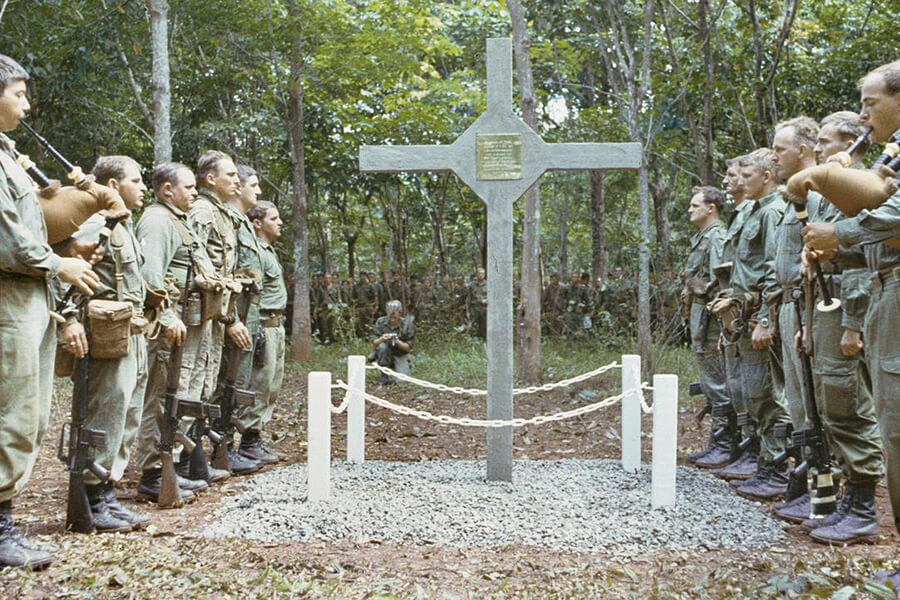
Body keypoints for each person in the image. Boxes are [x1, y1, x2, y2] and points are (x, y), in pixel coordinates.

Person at [0, 54, 101, 569]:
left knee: (31, 414)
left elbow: (28, 227)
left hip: (30, 296)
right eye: (18, 93)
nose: (27, 103)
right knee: (12, 414)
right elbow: (6, 240)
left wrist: (66, 252)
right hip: (9, 298)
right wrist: (57, 263)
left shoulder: (8, 156)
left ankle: (5, 520)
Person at [803, 61, 900, 580]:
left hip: (886, 291)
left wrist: (840, 236)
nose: (864, 114)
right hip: (884, 286)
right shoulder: (890, 154)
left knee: (888, 420)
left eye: (870, 102)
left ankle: (861, 507)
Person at [788, 111, 884, 542]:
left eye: (826, 142)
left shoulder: (863, 188)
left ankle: (863, 504)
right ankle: (849, 495)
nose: (820, 149)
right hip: (823, 312)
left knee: (847, 404)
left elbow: (867, 260)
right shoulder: (832, 191)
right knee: (831, 404)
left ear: (851, 142)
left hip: (850, 311)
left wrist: (851, 324)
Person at [57, 156, 152, 532]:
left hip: (129, 333)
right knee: (104, 412)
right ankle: (91, 495)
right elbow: (62, 274)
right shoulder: (99, 222)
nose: (142, 186)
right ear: (112, 186)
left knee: (125, 414)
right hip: (102, 336)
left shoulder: (125, 226)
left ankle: (106, 491)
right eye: (136, 180)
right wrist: (66, 321)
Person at [133, 162, 224, 503]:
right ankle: (153, 473)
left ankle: (168, 464)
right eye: (188, 187)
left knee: (178, 395)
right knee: (160, 400)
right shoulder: (157, 221)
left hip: (186, 325)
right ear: (167, 189)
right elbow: (150, 275)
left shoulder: (178, 220)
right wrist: (168, 315)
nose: (194, 193)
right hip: (168, 327)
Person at [710, 148, 791, 500]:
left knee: (765, 393)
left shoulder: (772, 212)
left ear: (766, 177)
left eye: (746, 176)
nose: (739, 182)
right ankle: (762, 460)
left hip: (758, 314)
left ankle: (777, 467)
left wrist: (765, 320)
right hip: (741, 314)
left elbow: (774, 270)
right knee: (749, 391)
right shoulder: (754, 211)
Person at [190, 151, 259, 475]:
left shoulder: (221, 214)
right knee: (192, 386)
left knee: (203, 386)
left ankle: (192, 458)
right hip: (200, 315)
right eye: (230, 175)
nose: (236, 181)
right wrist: (228, 318)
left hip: (214, 315)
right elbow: (196, 268)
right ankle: (183, 460)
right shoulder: (203, 212)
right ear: (210, 179)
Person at [682, 186, 730, 469]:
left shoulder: (718, 236)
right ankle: (720, 440)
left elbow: (719, 278)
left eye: (694, 205)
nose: (690, 209)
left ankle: (724, 442)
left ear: (711, 207)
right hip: (701, 312)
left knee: (716, 379)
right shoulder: (703, 237)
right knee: (710, 377)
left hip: (712, 315)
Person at [247, 200, 286, 461]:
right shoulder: (256, 252)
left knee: (271, 386)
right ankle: (248, 441)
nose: (280, 222)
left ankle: (256, 438)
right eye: (273, 219)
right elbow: (251, 293)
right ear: (258, 223)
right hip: (263, 325)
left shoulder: (269, 251)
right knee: (260, 386)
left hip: (276, 326)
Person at [369, 300, 414, 383]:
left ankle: (402, 365)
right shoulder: (380, 322)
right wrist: (382, 338)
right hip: (384, 352)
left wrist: (397, 341)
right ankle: (384, 375)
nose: (392, 318)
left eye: (395, 315)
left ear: (400, 313)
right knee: (382, 346)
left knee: (402, 382)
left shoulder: (406, 324)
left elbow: (408, 348)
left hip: (400, 353)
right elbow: (374, 343)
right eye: (390, 315)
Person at [467, 267, 488, 339]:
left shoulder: (489, 285)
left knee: (484, 326)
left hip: (485, 309)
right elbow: (468, 298)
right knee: (475, 326)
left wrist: (487, 300)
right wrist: (468, 311)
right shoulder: (471, 285)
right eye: (480, 273)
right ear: (476, 274)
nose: (481, 275)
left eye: (483, 273)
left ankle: (485, 341)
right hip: (474, 308)